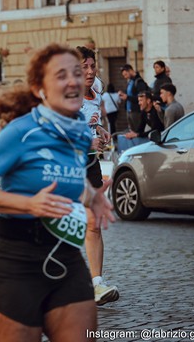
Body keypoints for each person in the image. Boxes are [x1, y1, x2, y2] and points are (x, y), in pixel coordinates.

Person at [0, 44, 115, 341]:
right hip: (15, 260)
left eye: (76, 73)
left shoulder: (80, 131)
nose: (73, 80)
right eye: (61, 75)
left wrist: (90, 195)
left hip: (66, 256)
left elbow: (63, 175)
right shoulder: (21, 131)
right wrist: (31, 204)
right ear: (39, 88)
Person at [76, 46, 118, 306]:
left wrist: (99, 128)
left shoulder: (97, 89)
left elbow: (89, 119)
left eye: (92, 66)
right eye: (85, 67)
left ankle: (97, 284)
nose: (90, 71)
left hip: (90, 164)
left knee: (93, 222)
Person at [118, 64, 148, 133]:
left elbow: (141, 97)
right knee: (132, 132)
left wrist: (127, 97)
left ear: (130, 71)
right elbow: (129, 94)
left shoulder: (139, 81)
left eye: (126, 74)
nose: (125, 77)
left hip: (136, 111)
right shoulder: (130, 81)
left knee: (137, 131)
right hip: (129, 111)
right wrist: (123, 94)